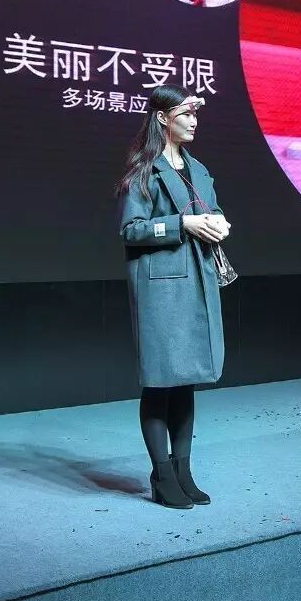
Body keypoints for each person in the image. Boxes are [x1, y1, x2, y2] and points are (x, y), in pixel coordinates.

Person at [116, 85, 231, 509]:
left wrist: (218, 223)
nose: (194, 121)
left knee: (186, 379)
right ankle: (161, 474)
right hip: (161, 288)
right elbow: (131, 231)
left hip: (197, 279)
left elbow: (210, 210)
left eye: (195, 115)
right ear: (163, 118)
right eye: (186, 114)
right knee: (161, 380)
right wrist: (182, 225)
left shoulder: (198, 169)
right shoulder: (144, 170)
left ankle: (183, 471)